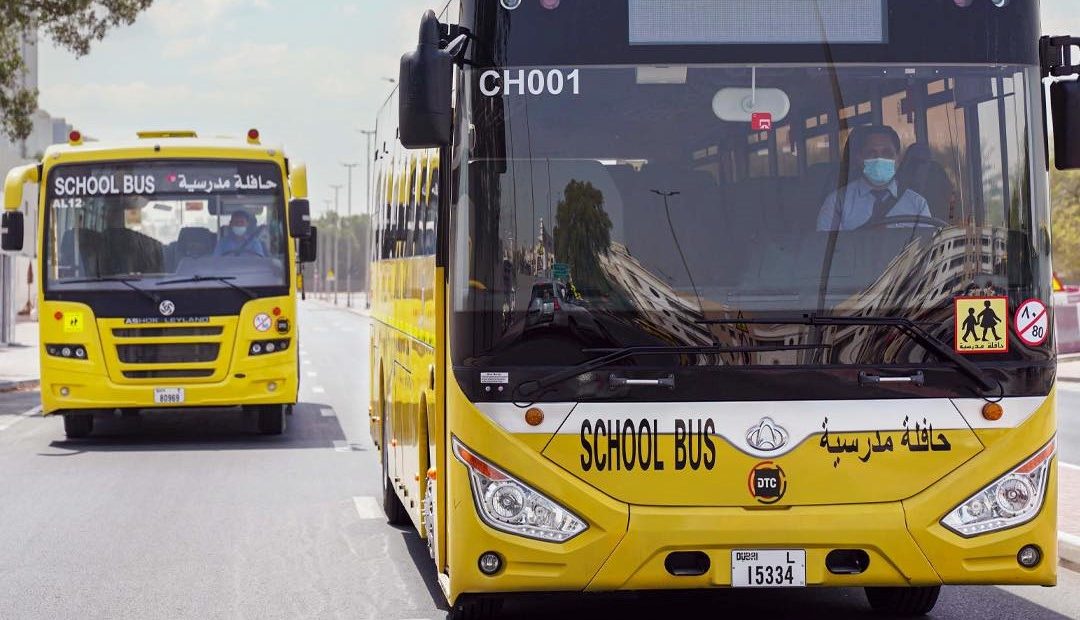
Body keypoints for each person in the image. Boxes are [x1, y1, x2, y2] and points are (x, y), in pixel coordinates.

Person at [817, 125, 933, 231]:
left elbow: (926, 249)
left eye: (887, 153)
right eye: (871, 153)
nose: (879, 159)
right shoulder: (837, 203)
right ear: (859, 158)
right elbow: (827, 249)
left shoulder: (917, 204)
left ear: (898, 158)